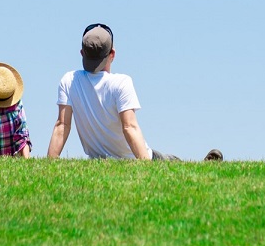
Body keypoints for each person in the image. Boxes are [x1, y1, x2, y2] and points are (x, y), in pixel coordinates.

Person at [46, 23, 222, 161]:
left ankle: (202, 163)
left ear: (82, 53)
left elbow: (62, 126)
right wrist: (144, 165)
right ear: (112, 54)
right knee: (171, 161)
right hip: (133, 157)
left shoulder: (69, 81)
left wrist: (50, 166)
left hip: (98, 161)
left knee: (171, 161)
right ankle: (202, 165)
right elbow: (129, 127)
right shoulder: (121, 83)